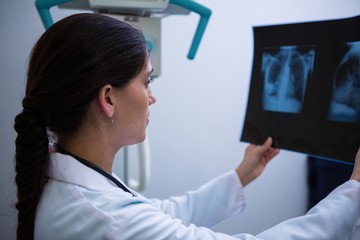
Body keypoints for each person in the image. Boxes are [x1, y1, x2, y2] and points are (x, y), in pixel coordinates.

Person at [14, 13, 359, 240]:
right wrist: (354, 190)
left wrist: (241, 175)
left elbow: (161, 216)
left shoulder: (67, 178)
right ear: (109, 98)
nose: (152, 98)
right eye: (147, 82)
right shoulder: (107, 219)